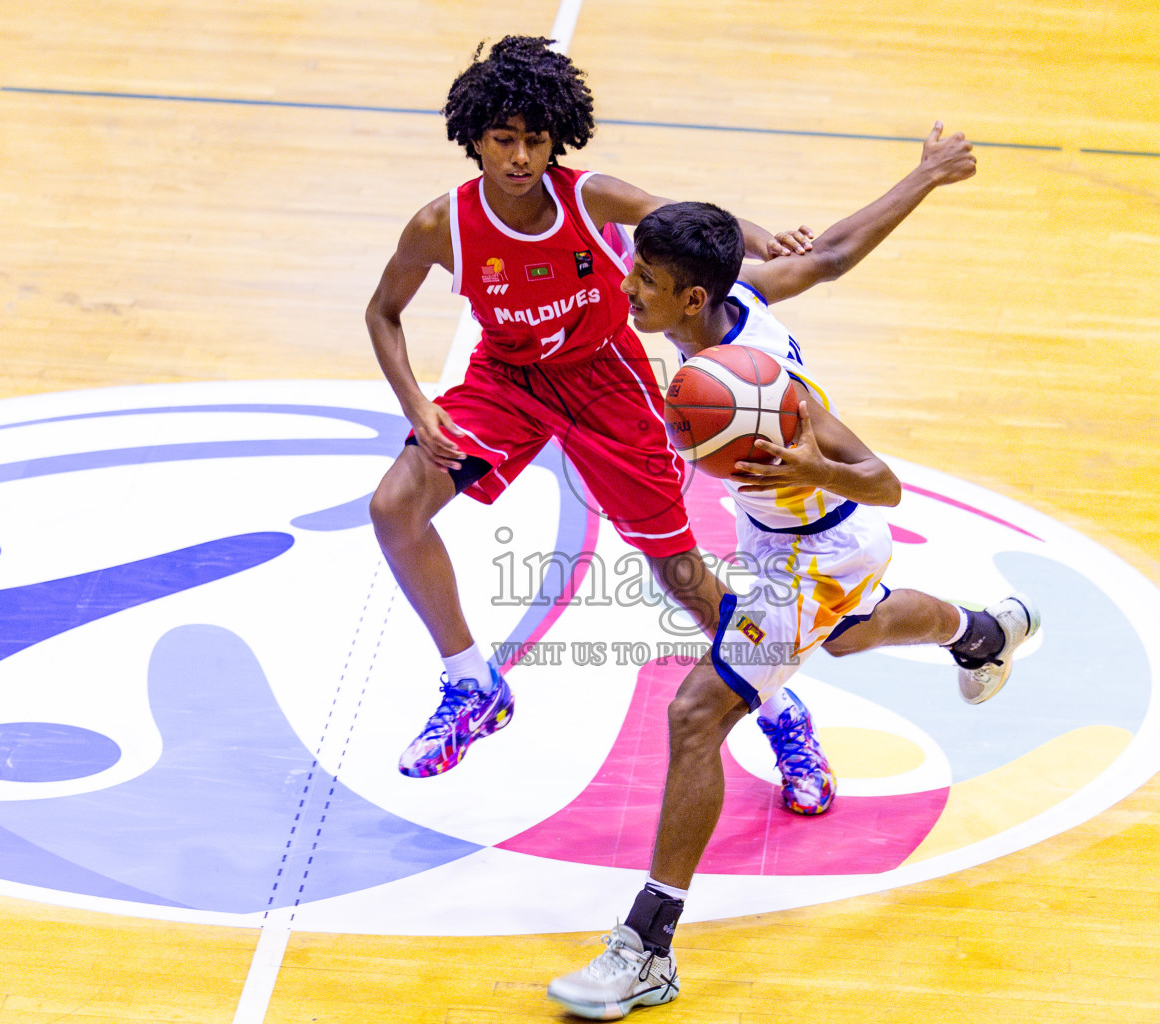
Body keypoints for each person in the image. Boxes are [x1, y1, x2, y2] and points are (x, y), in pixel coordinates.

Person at [546, 123, 1042, 1020]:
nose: (628, 290)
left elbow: (882, 482)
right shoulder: (738, 300)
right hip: (812, 545)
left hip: (813, 547)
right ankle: (983, 631)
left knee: (697, 714)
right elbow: (839, 251)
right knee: (852, 634)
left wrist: (809, 466)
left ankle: (645, 948)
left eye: (645, 284)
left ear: (692, 298)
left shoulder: (771, 386)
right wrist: (925, 173)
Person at [364, 36, 826, 791]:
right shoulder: (439, 226)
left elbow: (683, 221)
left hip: (604, 381)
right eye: (503, 140)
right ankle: (473, 686)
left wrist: (763, 238)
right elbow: (382, 312)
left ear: (557, 140)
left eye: (534, 141)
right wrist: (417, 402)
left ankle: (782, 710)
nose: (518, 157)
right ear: (473, 137)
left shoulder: (588, 197)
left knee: (679, 574)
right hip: (506, 379)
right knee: (394, 508)